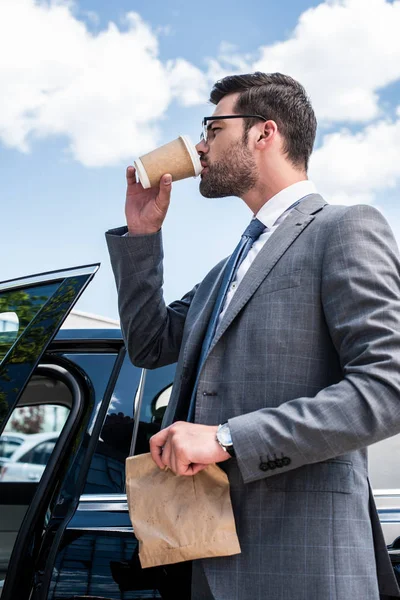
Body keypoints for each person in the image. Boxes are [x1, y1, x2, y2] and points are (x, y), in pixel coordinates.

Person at [106, 72, 400, 600]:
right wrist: (142, 237)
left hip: (302, 562)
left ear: (264, 133)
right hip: (205, 556)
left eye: (213, 128)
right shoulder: (227, 268)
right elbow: (149, 344)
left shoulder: (344, 228)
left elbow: (388, 388)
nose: (198, 145)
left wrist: (225, 439)